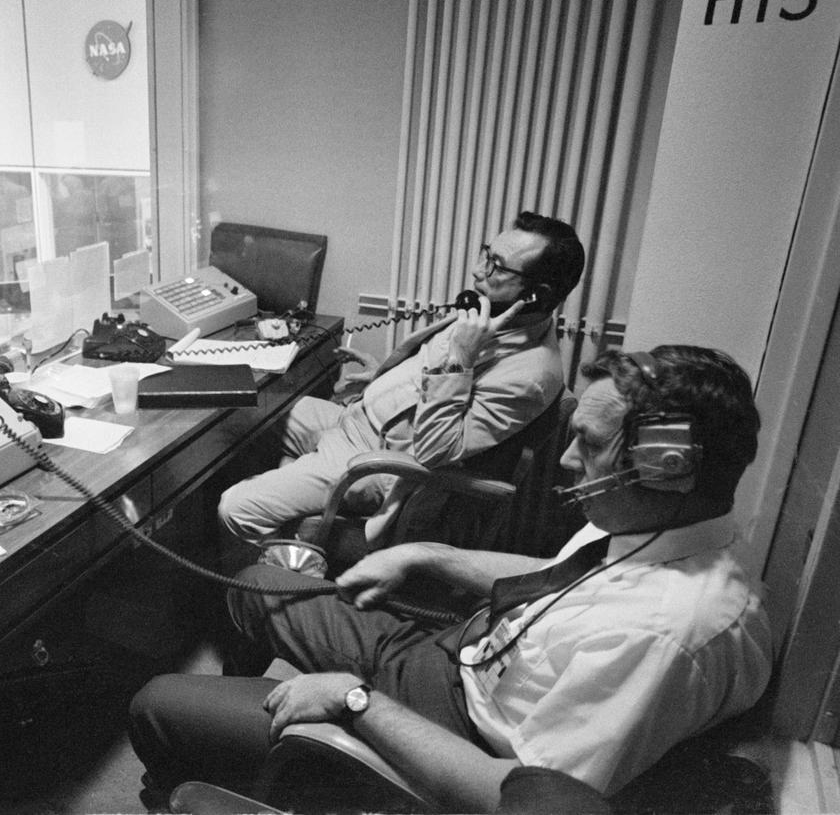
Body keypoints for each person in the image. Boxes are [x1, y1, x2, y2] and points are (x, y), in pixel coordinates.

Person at [130, 345, 773, 812]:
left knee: (157, 704)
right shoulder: (654, 530)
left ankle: (239, 766)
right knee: (256, 584)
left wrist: (353, 702)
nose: (570, 462)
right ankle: (255, 761)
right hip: (459, 655)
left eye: (590, 444)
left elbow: (521, 801)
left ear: (665, 466)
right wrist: (427, 555)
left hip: (454, 731)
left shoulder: (663, 637)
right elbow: (563, 575)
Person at [218, 211, 585, 545]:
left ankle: (282, 576)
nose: (477, 271)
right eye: (486, 254)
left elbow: (436, 450)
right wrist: (382, 379)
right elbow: (429, 378)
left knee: (236, 508)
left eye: (497, 267)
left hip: (374, 462)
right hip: (354, 419)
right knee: (241, 420)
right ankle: (281, 513)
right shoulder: (491, 318)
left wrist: (461, 357)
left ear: (538, 296)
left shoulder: (531, 375)